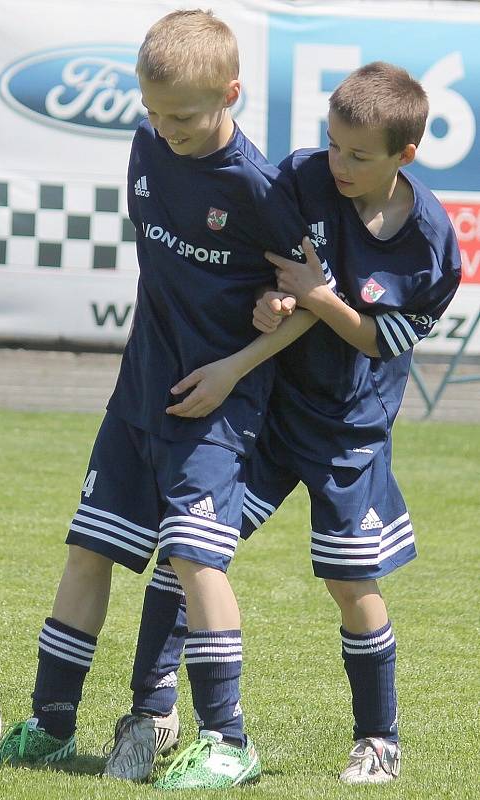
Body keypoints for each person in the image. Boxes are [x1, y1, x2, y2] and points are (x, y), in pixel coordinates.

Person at [104, 61, 461, 786]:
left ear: (405, 156)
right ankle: (151, 715)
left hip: (346, 434)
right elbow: (271, 279)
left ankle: (378, 738)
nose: (340, 164)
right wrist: (274, 307)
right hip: (269, 413)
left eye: (359, 155)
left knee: (349, 582)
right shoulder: (301, 178)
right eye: (333, 145)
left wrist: (318, 299)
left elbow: (381, 339)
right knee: (189, 550)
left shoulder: (431, 243)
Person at [0, 9, 313, 790]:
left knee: (198, 562)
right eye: (153, 111)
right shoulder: (147, 142)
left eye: (183, 115)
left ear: (230, 93)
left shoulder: (263, 188)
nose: (164, 129)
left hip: (217, 411)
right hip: (137, 397)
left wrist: (237, 363)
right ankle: (51, 725)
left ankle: (229, 741)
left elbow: (309, 301)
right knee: (89, 548)